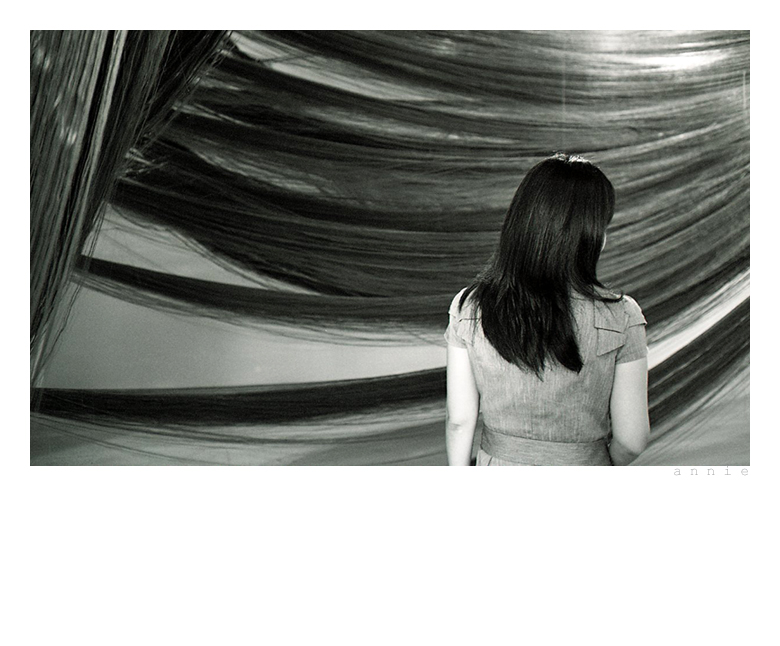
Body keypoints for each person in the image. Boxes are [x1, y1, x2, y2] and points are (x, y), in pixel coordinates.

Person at [445, 153, 649, 466]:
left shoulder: (470, 306)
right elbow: (632, 441)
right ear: (588, 235)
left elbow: (459, 422)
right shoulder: (623, 315)